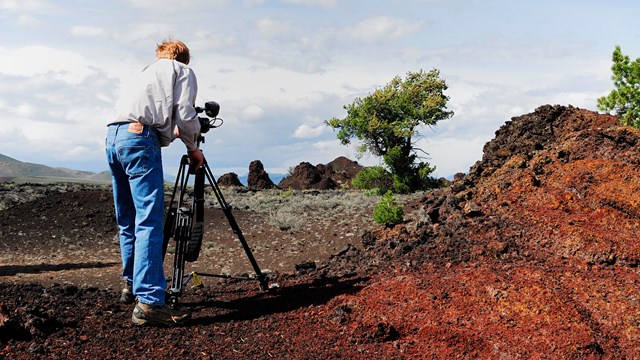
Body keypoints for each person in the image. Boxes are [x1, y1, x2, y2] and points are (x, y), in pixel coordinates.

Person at [105, 39, 204, 327]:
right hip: (139, 138)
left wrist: (168, 132)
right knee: (149, 220)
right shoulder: (181, 71)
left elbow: (150, 115)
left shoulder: (142, 72)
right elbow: (185, 114)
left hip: (114, 137)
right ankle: (148, 301)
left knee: (128, 218)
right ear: (184, 58)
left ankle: (130, 284)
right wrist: (193, 146)